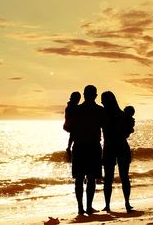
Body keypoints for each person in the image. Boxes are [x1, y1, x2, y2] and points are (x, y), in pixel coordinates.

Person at [69, 85, 103, 215]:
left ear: (84, 95)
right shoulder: (100, 110)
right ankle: (88, 207)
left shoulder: (76, 110)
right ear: (95, 96)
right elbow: (106, 127)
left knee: (79, 179)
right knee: (91, 178)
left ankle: (80, 208)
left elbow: (68, 128)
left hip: (79, 147)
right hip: (93, 147)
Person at [102, 91, 134, 213]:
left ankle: (108, 205)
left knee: (109, 178)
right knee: (124, 176)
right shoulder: (123, 115)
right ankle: (126, 203)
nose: (102, 102)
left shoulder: (103, 114)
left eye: (103, 100)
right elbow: (128, 132)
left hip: (110, 147)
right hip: (121, 146)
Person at [63, 91, 81, 157]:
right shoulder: (72, 106)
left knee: (72, 135)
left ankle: (69, 147)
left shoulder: (71, 105)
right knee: (73, 134)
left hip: (69, 124)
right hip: (70, 124)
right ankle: (69, 148)